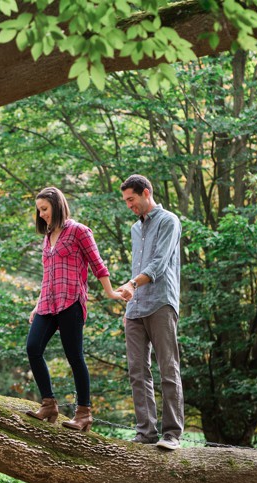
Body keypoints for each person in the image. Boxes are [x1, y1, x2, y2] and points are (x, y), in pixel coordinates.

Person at [25, 187, 125, 431]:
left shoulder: (79, 231)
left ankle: (84, 412)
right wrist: (37, 304)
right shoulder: (47, 237)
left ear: (57, 206)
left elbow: (97, 264)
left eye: (45, 209)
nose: (42, 214)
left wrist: (111, 292)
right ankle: (49, 403)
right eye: (39, 210)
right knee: (33, 347)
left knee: (74, 356)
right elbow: (46, 274)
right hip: (48, 304)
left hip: (71, 301)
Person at [114, 174, 185, 450]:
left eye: (131, 199)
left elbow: (159, 263)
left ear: (146, 193)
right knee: (137, 371)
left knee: (168, 367)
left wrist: (132, 284)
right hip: (136, 307)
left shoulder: (169, 221)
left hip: (161, 302)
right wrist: (130, 301)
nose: (129, 205)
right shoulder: (135, 229)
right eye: (126, 201)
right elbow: (138, 267)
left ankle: (172, 434)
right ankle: (146, 432)